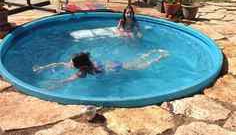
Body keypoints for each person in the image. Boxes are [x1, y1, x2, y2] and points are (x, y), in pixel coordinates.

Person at [33, 50, 170, 89]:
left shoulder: (84, 72)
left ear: (82, 67)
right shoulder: (84, 64)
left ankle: (157, 57)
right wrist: (42, 67)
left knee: (140, 66)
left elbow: (69, 80)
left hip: (116, 67)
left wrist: (56, 84)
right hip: (110, 63)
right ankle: (152, 53)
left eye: (72, 63)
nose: (69, 64)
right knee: (136, 62)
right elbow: (59, 63)